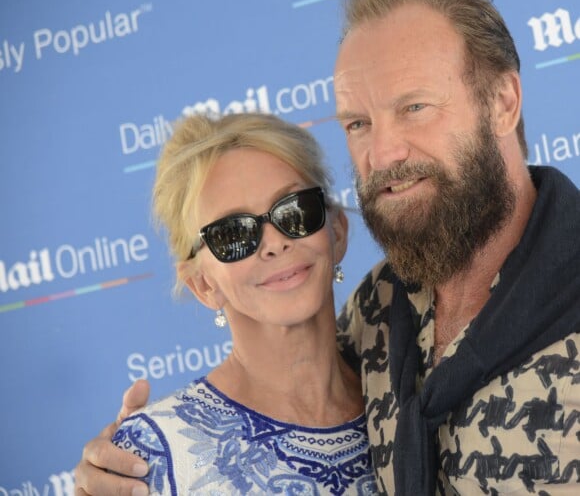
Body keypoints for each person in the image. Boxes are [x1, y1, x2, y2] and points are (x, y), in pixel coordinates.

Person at [75, 0, 580, 495]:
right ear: (201, 281)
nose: (383, 154)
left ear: (502, 102)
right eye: (358, 124)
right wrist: (119, 466)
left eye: (414, 107)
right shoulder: (381, 309)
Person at [75, 112, 377, 495]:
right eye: (233, 234)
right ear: (202, 285)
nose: (273, 243)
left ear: (336, 230)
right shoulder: (152, 459)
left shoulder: (403, 382)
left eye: (294, 210)